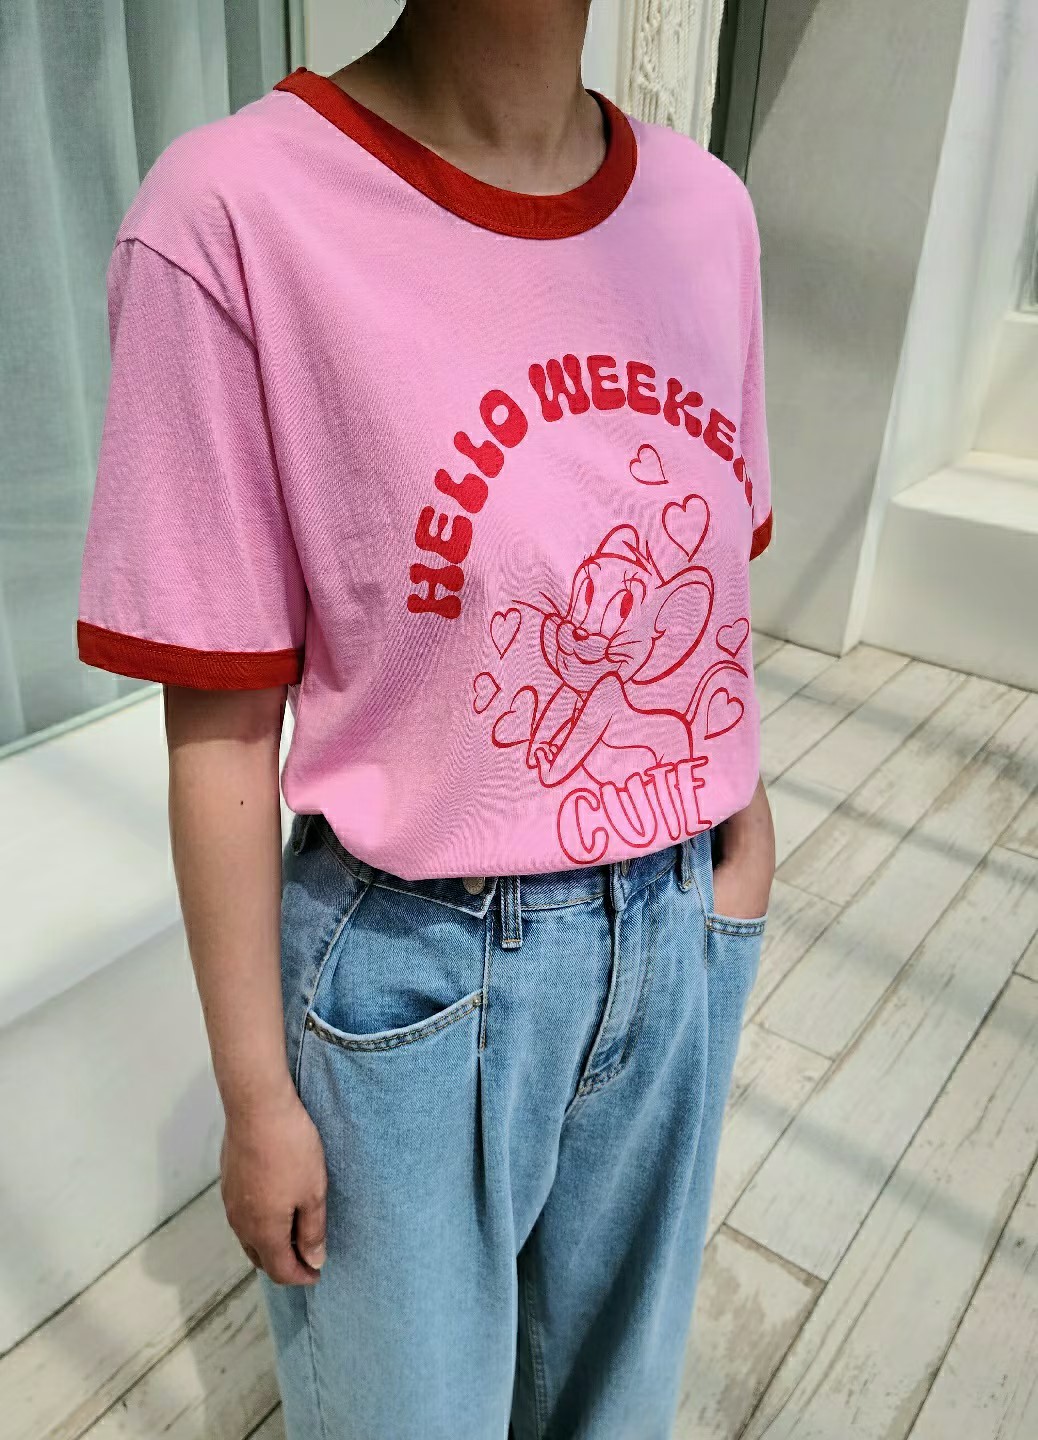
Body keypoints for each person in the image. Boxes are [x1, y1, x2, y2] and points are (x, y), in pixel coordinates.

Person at [78, 2, 776, 1435]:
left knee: (617, 1408)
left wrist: (738, 842)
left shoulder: (707, 215)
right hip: (411, 983)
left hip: (673, 932)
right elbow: (221, 723)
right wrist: (256, 1096)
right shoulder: (233, 218)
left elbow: (701, 588)